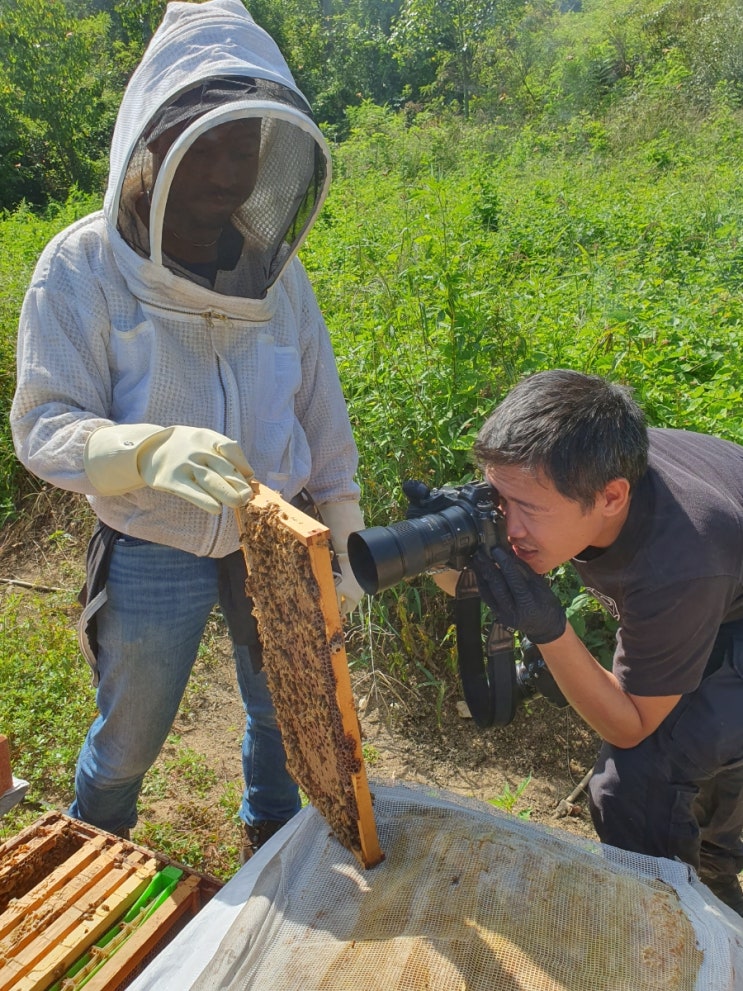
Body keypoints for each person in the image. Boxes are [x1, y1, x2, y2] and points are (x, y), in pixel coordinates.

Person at [10, 0, 365, 862]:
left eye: (243, 147)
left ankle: (272, 842)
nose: (224, 170)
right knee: (130, 736)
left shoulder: (278, 275)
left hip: (270, 536)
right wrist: (146, 451)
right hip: (151, 537)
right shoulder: (81, 265)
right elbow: (42, 422)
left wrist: (345, 522)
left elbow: (321, 406)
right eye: (204, 142)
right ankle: (95, 844)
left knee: (285, 711)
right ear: (152, 143)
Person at [468, 368, 743, 916]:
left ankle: (675, 929)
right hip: (726, 584)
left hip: (718, 589)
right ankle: (714, 868)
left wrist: (550, 629)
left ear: (612, 496)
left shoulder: (677, 562)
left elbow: (629, 723)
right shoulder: (571, 465)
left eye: (529, 510)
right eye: (498, 499)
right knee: (701, 733)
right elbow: (480, 564)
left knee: (636, 780)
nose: (509, 525)